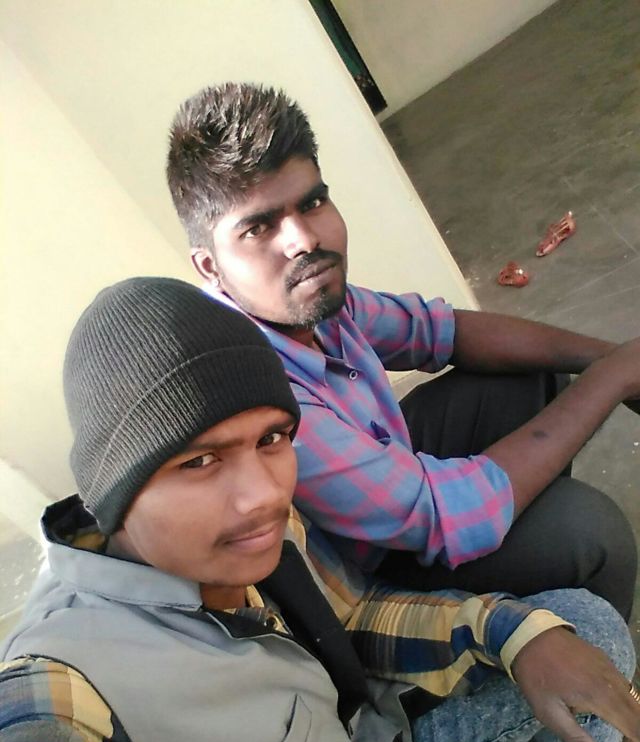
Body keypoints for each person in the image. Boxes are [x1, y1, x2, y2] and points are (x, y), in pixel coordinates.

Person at [1, 277, 640, 742]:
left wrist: (511, 634)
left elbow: (353, 614)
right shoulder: (68, 680)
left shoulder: (263, 528)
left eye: (271, 438)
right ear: (112, 492)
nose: (263, 494)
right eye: (198, 461)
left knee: (581, 628)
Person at [165, 82, 639, 623]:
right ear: (210, 266)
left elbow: (440, 330)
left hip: (384, 466)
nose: (303, 240)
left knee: (534, 372)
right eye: (258, 227)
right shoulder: (254, 396)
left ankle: (530, 549)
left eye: (313, 203)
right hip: (367, 571)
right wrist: (614, 377)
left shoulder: (301, 298)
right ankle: (590, 657)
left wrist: (610, 357)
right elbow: (440, 513)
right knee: (590, 532)